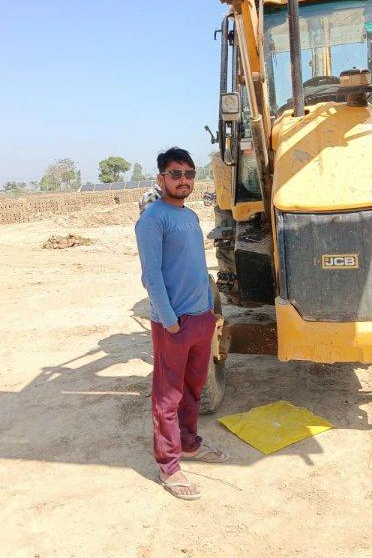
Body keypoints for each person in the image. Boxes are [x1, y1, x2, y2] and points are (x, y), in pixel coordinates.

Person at [135, 147, 228, 500]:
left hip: (201, 319)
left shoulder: (189, 217)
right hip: (173, 323)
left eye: (189, 174)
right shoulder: (153, 219)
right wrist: (170, 321)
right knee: (167, 396)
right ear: (161, 179)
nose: (183, 180)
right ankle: (169, 467)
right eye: (175, 174)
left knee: (193, 388)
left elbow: (196, 268)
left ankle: (188, 443)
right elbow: (152, 276)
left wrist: (209, 312)